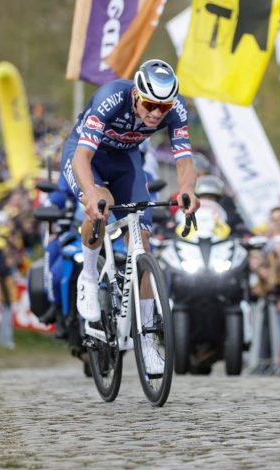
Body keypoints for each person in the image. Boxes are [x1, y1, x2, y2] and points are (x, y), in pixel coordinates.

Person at [67, 59, 200, 374]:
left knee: (142, 242)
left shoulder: (176, 109)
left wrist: (187, 189)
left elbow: (183, 158)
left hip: (126, 161)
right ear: (137, 95)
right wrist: (91, 192)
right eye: (150, 104)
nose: (155, 114)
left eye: (163, 108)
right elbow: (83, 157)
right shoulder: (111, 97)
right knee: (101, 204)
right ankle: (87, 277)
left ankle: (149, 341)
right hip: (88, 158)